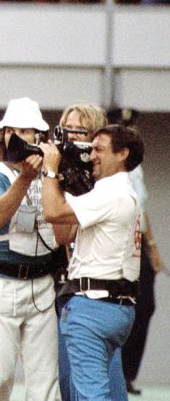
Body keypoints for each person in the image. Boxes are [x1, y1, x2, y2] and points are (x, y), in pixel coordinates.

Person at [40, 124, 144, 401]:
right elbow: (64, 233)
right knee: (102, 390)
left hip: (92, 307)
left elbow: (53, 211)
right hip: (119, 308)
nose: (91, 156)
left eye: (99, 149)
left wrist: (50, 169)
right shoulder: (128, 192)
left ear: (122, 154)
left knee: (90, 395)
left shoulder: (109, 192)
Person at [0, 97, 60, 401]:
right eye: (11, 131)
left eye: (25, 131)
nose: (17, 138)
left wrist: (52, 173)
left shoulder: (52, 176)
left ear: (39, 138)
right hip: (2, 282)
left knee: (45, 383)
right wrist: (25, 177)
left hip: (42, 283)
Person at [107, 108, 163, 396]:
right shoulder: (106, 165)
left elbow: (141, 209)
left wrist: (152, 247)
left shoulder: (135, 167)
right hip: (116, 240)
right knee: (118, 305)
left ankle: (128, 373)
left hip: (137, 240)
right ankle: (116, 371)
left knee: (145, 305)